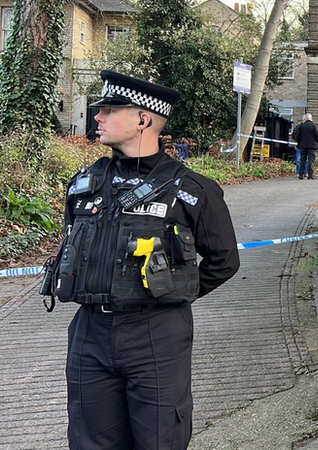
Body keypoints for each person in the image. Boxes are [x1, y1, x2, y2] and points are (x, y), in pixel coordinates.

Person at [44, 70, 240, 450]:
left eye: (110, 109)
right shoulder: (84, 183)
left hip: (156, 334)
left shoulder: (193, 191)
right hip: (89, 334)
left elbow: (224, 260)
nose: (97, 116)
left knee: (158, 441)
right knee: (88, 442)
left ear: (143, 119)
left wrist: (173, 291)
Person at [293, 113, 318, 179]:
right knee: (311, 160)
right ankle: (310, 175)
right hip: (312, 146)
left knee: (302, 160)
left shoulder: (301, 126)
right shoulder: (313, 126)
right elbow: (317, 135)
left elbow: (297, 135)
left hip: (303, 145)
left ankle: (301, 175)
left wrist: (299, 142)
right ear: (311, 119)